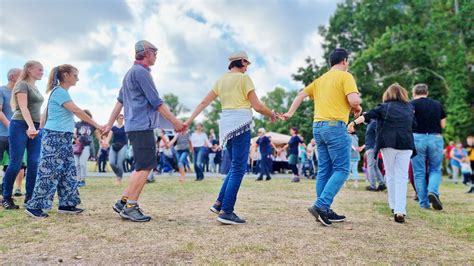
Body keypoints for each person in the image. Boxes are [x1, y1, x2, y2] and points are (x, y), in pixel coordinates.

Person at [185, 51, 277, 225]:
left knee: (235, 166)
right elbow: (257, 106)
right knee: (239, 168)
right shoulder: (244, 79)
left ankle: (219, 202)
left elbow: (204, 103)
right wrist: (271, 114)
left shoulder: (221, 80)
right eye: (247, 63)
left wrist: (188, 120)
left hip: (226, 125)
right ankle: (227, 211)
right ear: (242, 62)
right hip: (241, 122)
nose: (247, 67)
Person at [104, 40, 184, 222]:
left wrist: (109, 124)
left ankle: (123, 202)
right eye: (155, 52)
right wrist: (175, 122)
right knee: (145, 166)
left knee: (142, 165)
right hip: (142, 125)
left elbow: (119, 102)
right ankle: (131, 207)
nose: (156, 56)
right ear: (147, 52)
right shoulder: (141, 73)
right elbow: (156, 102)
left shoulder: (130, 73)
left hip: (134, 125)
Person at [284, 48, 362, 226]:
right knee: (342, 169)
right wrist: (357, 107)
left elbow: (300, 95)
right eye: (347, 61)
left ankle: (324, 209)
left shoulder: (320, 80)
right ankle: (321, 205)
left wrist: (289, 113)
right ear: (344, 61)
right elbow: (354, 100)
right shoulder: (346, 76)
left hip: (317, 127)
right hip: (335, 126)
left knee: (325, 170)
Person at [24, 64, 104, 218]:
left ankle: (67, 204)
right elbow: (77, 111)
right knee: (49, 172)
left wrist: (39, 129)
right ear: (66, 75)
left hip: (63, 137)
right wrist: (97, 126)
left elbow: (46, 113)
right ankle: (34, 206)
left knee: (68, 171)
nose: (78, 79)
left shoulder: (61, 93)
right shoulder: (60, 92)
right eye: (75, 75)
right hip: (55, 136)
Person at [349, 83, 416, 223]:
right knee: (402, 177)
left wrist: (354, 123)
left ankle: (393, 206)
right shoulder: (410, 108)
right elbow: (414, 125)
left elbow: (368, 115)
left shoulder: (384, 107)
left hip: (388, 144)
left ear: (388, 94)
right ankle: (400, 210)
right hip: (406, 143)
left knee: (390, 175)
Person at [2, 61, 44, 209]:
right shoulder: (22, 85)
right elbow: (23, 107)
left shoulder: (36, 87)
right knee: (16, 163)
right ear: (30, 70)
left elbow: (37, 110)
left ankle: (30, 198)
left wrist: (38, 126)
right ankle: (6, 197)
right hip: (20, 125)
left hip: (35, 126)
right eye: (39, 69)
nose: (42, 72)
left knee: (34, 162)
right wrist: (31, 126)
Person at [410, 83, 446, 210]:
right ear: (427, 92)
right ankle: (433, 191)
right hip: (435, 138)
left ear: (414, 93)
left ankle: (424, 203)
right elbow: (443, 125)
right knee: (435, 169)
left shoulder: (411, 104)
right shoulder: (437, 104)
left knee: (419, 172)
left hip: (417, 138)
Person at [0, 68, 21, 195]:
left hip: (15, 136)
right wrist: (10, 126)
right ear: (12, 77)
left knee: (16, 164)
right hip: (1, 134)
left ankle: (5, 189)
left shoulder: (20, 94)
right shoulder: (1, 90)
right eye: (20, 76)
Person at [74, 109, 100, 187]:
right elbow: (74, 132)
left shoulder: (92, 124)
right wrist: (75, 138)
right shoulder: (78, 124)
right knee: (76, 164)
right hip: (78, 145)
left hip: (86, 146)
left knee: (82, 162)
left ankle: (83, 179)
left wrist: (101, 141)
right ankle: (78, 180)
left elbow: (97, 134)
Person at [364, 120, 386, 191]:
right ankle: (382, 184)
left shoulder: (373, 123)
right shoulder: (371, 123)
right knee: (375, 166)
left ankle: (372, 186)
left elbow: (378, 134)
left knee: (370, 166)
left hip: (371, 147)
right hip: (372, 147)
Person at [107, 114, 127, 185]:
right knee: (111, 162)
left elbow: (130, 135)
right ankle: (118, 174)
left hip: (123, 146)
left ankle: (119, 178)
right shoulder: (113, 128)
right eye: (120, 118)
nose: (121, 120)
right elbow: (109, 136)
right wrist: (106, 143)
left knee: (119, 163)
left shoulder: (126, 127)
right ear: (117, 119)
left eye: (122, 118)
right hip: (114, 146)